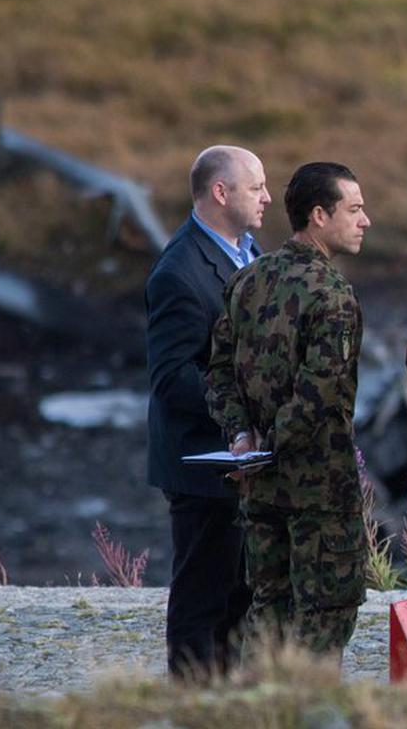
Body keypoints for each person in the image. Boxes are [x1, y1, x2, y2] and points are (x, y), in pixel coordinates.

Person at [205, 161, 371, 663]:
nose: (365, 221)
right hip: (318, 492)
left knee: (267, 611)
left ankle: (262, 712)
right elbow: (319, 394)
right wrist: (272, 447)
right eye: (355, 209)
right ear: (319, 216)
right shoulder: (333, 296)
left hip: (259, 488)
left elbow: (218, 374)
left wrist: (242, 442)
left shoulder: (248, 281)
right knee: (324, 619)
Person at [145, 145, 268, 678]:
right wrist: (241, 418)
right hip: (205, 465)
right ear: (221, 193)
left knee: (240, 595)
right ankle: (193, 703)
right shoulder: (179, 272)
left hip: (245, 464)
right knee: (202, 597)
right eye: (256, 186)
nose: (267, 196)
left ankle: (229, 701)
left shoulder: (249, 250)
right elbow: (173, 378)